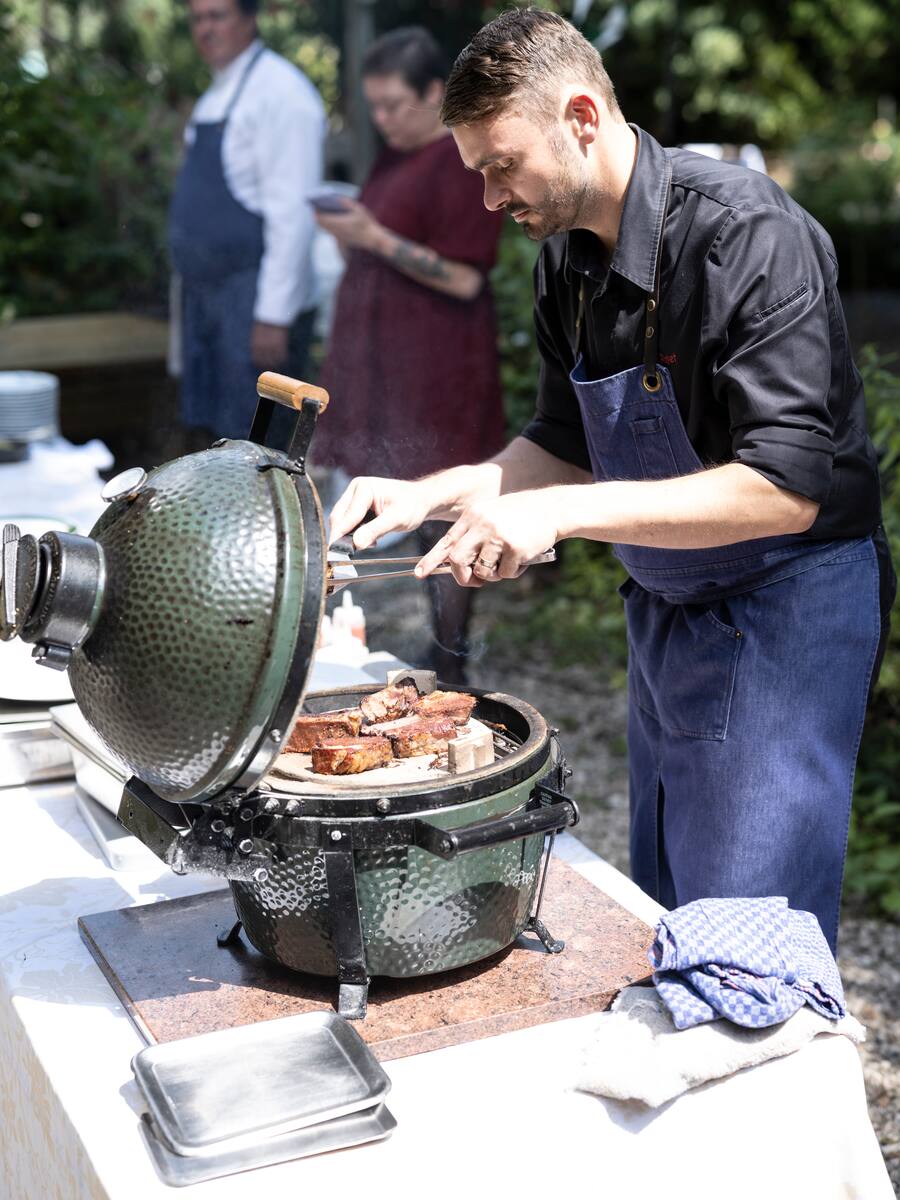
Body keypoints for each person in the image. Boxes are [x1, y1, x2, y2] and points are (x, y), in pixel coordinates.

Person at [329, 9, 896, 952]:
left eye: (501, 165)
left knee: (747, 939)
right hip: (669, 605)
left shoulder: (748, 236)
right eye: (476, 172)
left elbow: (785, 487)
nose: (486, 198)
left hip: (790, 607)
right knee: (671, 903)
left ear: (583, 117)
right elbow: (564, 439)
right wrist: (438, 492)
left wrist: (558, 514)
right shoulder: (567, 262)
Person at [311, 26, 505, 684]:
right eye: (376, 107)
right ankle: (432, 647)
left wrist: (373, 234)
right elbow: (371, 248)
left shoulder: (460, 160)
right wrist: (347, 234)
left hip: (438, 367)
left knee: (440, 507)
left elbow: (465, 277)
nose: (384, 119)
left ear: (433, 92)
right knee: (394, 489)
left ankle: (453, 657)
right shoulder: (393, 159)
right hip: (383, 361)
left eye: (395, 104)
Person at [169, 0, 325, 442]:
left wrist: (273, 317)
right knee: (212, 439)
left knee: (256, 446)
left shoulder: (282, 94)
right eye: (198, 18)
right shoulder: (214, 96)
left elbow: (292, 214)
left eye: (217, 16)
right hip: (207, 301)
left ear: (250, 19)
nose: (205, 28)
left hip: (253, 300)